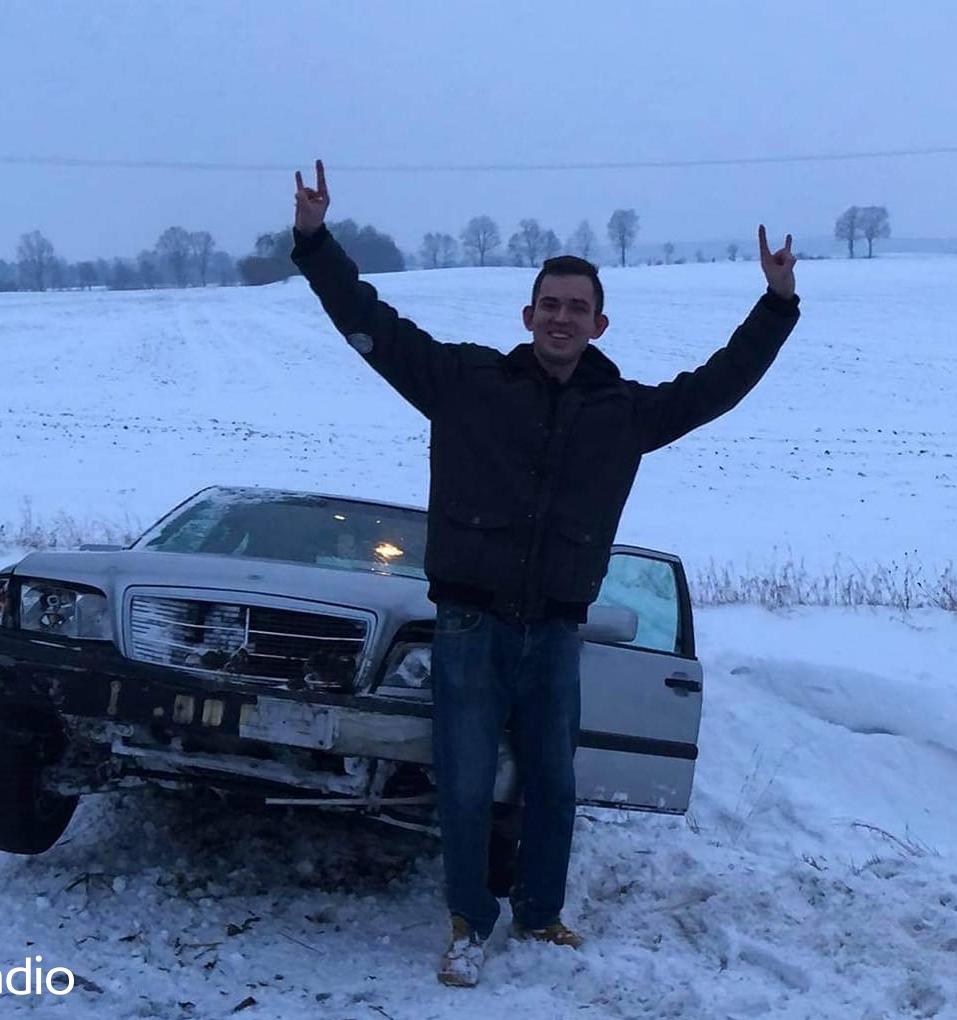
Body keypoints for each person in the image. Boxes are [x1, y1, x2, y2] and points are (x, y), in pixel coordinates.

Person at [290, 160, 799, 987]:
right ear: (528, 316)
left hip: (556, 628)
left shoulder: (626, 414)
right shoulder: (462, 384)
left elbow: (718, 387)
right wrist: (315, 244)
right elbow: (368, 321)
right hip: (468, 625)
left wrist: (775, 307)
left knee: (553, 784)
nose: (562, 318)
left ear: (600, 325)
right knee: (461, 782)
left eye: (579, 309)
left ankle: (538, 913)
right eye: (550, 306)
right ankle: (467, 921)